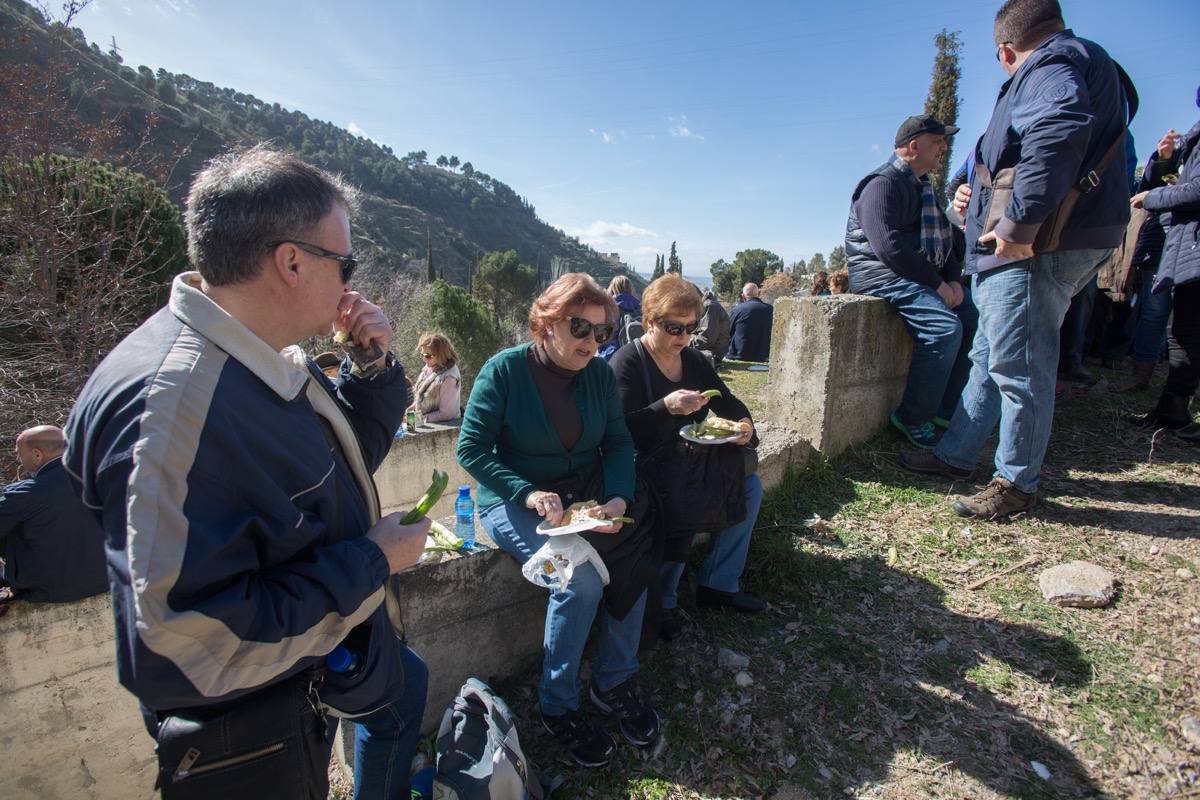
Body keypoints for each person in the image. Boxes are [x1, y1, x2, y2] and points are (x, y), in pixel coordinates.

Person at [63, 146, 431, 800]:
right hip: (252, 733)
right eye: (344, 264)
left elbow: (333, 473)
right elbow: (190, 639)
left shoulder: (258, 356)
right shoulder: (178, 411)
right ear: (291, 262)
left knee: (405, 688)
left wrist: (371, 367)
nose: (352, 282)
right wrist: (373, 562)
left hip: (296, 688)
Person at [901, 0, 1134, 519]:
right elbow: (1012, 152)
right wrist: (968, 192)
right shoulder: (1076, 62)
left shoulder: (1051, 63)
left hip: (1033, 246)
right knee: (989, 356)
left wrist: (1016, 225)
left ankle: (1016, 482)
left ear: (1005, 50)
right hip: (1035, 242)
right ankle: (957, 453)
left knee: (1019, 363)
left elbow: (1056, 130)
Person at [456, 273, 661, 769]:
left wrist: (616, 498)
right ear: (546, 323)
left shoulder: (597, 375)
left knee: (632, 551)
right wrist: (526, 492)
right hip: (511, 500)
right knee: (579, 581)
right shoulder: (503, 372)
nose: (592, 342)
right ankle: (558, 704)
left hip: (582, 494)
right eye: (579, 327)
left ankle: (614, 680)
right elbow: (471, 449)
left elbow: (616, 441)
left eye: (602, 332)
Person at [609, 275, 765, 643]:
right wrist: (666, 408)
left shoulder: (692, 360)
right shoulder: (628, 362)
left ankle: (719, 582)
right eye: (672, 327)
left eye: (690, 327)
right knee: (685, 496)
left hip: (687, 460)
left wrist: (743, 424)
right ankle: (662, 601)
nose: (682, 337)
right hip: (641, 464)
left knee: (750, 485)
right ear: (649, 321)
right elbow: (619, 432)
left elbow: (727, 400)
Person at [844, 113, 978, 449]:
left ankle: (944, 411)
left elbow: (948, 243)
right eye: (938, 141)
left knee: (972, 319)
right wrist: (938, 286)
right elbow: (889, 247)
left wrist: (954, 282)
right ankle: (912, 417)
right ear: (914, 146)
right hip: (880, 276)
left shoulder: (925, 190)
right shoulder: (881, 184)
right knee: (943, 330)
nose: (944, 148)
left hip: (913, 276)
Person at [1129, 106, 1200, 442]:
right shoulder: (1190, 142)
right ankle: (1171, 409)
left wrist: (1153, 197)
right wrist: (1166, 162)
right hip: (1186, 246)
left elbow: (1196, 189)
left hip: (1194, 248)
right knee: (1182, 329)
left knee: (1187, 330)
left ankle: (1174, 410)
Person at [0, 426, 106, 603]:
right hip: (109, 579)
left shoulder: (27, 494)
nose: (19, 460)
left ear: (36, 454)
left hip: (52, 590)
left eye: (20, 454)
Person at [1113, 128, 1183, 393]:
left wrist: (1158, 196)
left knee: (1185, 317)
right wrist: (1164, 159)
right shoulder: (1184, 148)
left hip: (1191, 243)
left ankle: (1179, 385)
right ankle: (1140, 376)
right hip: (1162, 240)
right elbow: (1147, 190)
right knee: (1153, 311)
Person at [408, 331, 462, 423]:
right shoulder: (430, 366)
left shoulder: (449, 377)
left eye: (428, 356)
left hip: (445, 432)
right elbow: (422, 398)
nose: (424, 359)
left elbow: (447, 414)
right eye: (422, 355)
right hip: (425, 426)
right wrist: (412, 409)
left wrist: (419, 419)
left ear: (441, 354)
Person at [725, 282, 773, 362]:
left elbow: (727, 331)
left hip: (740, 355)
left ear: (743, 296)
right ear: (759, 294)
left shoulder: (736, 310)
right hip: (764, 355)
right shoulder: (771, 309)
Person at [598, 275, 642, 360]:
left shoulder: (609, 309)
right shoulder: (639, 308)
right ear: (630, 288)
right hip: (635, 357)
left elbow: (600, 339)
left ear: (612, 288)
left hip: (611, 356)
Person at [690, 285, 732, 366]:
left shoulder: (710, 306)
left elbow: (706, 340)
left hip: (713, 354)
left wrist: (685, 342)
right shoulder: (707, 305)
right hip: (710, 351)